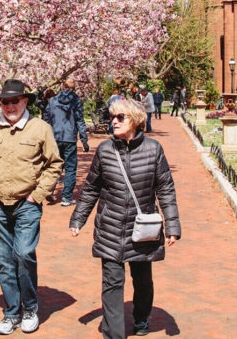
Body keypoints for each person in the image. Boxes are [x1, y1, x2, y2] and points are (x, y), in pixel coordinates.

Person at [69, 99, 181, 338]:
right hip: (110, 227)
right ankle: (114, 334)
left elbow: (165, 189)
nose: (114, 121)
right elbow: (91, 188)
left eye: (121, 117)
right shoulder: (105, 150)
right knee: (112, 283)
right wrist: (78, 219)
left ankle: (141, 318)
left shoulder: (153, 149)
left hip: (142, 230)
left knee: (142, 281)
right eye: (112, 117)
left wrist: (172, 224)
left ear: (136, 120)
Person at [0, 79, 62, 335]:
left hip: (27, 204)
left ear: (25, 101)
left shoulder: (40, 128)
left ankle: (30, 308)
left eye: (15, 100)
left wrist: (38, 195)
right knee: (3, 261)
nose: (10, 105)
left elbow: (53, 163)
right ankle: (12, 312)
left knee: (23, 255)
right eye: (5, 101)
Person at [43, 78, 89, 207]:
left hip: (55, 137)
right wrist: (84, 140)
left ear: (62, 87)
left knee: (54, 166)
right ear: (74, 89)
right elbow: (80, 120)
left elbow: (46, 118)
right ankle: (66, 197)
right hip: (69, 138)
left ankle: (49, 190)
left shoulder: (52, 101)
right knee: (70, 168)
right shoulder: (76, 101)